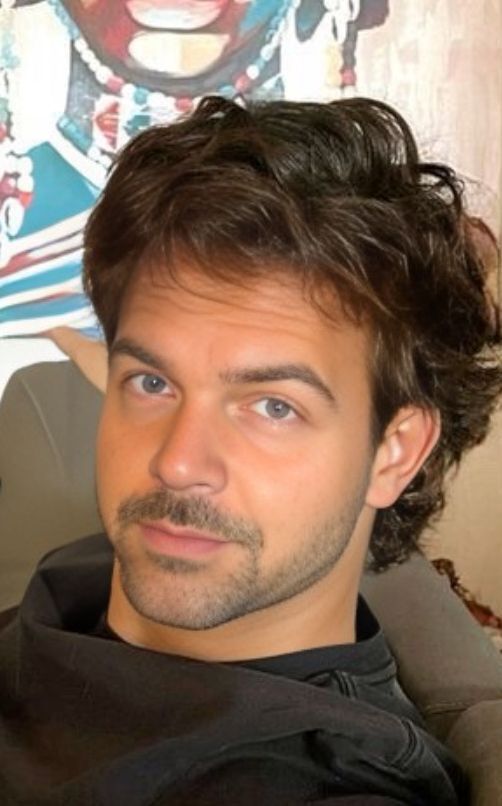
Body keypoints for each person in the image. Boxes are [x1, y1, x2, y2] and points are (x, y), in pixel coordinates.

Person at [0, 95, 500, 805]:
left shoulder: (317, 777)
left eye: (273, 406)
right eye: (152, 382)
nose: (178, 463)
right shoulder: (72, 581)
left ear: (394, 452)